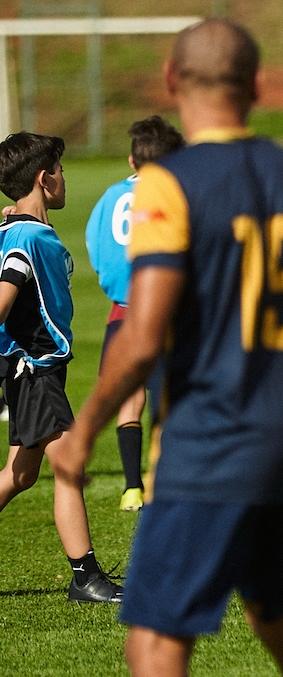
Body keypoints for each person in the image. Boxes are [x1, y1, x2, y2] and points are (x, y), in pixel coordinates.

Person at [62, 18, 283, 677]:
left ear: (171, 79)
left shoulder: (169, 183)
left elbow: (141, 336)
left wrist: (85, 429)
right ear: (258, 85)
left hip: (211, 440)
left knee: (156, 649)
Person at [0, 132, 123, 604]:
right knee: (68, 466)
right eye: (61, 169)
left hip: (34, 369)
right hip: (34, 370)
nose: (64, 178)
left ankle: (84, 577)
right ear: (43, 177)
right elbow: (8, 289)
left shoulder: (19, 229)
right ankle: (85, 577)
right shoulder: (26, 237)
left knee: (21, 474)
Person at [85, 115, 185, 512]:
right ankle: (162, 483)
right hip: (163, 313)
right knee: (167, 399)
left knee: (130, 399)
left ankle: (131, 488)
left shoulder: (110, 196)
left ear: (132, 161)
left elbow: (95, 249)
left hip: (122, 311)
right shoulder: (174, 192)